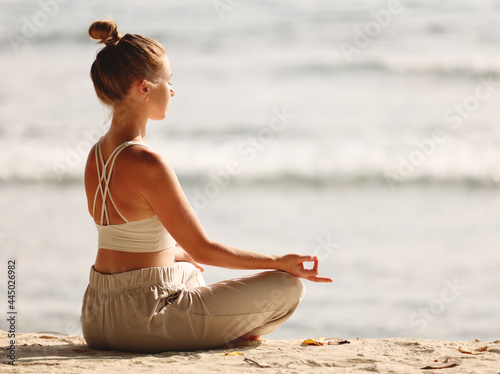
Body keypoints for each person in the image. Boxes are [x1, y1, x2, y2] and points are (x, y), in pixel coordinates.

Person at [80, 19, 333, 353]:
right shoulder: (148, 162)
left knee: (185, 266)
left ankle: (215, 327)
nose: (172, 91)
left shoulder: (97, 153)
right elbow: (206, 249)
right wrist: (279, 261)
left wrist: (174, 252)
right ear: (143, 89)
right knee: (287, 287)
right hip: (140, 322)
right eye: (167, 81)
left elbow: (126, 239)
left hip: (96, 315)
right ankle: (225, 331)